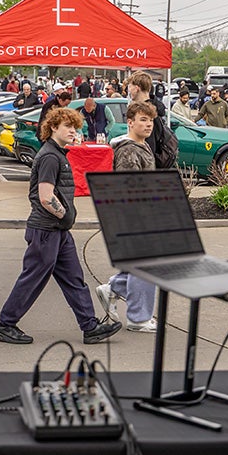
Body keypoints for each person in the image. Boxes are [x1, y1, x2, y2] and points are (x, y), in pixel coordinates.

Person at [0, 107, 123, 344]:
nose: (73, 131)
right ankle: (5, 324)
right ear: (53, 127)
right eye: (67, 127)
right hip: (46, 230)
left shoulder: (58, 154)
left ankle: (89, 326)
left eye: (75, 127)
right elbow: (45, 196)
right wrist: (63, 215)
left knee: (73, 278)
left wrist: (64, 220)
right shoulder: (51, 156)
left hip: (57, 231)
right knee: (33, 278)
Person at [93, 101, 159, 332]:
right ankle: (138, 317)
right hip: (135, 217)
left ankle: (114, 288)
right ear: (130, 122)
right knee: (146, 265)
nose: (148, 124)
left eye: (150, 120)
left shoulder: (142, 145)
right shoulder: (129, 149)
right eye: (143, 119)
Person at [125, 71, 176, 169]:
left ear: (137, 88)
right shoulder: (154, 106)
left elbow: (149, 147)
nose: (129, 90)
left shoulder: (148, 113)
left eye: (130, 87)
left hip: (150, 168)